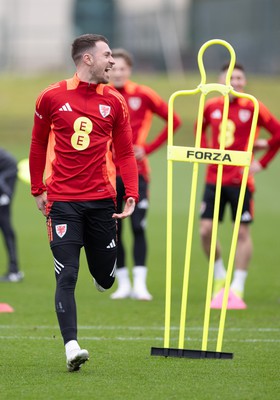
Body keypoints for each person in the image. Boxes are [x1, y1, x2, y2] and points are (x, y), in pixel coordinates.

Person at [29, 34, 139, 372]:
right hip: (62, 201)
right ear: (87, 59)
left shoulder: (116, 101)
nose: (112, 62)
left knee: (106, 278)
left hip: (102, 201)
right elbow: (36, 144)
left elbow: (124, 152)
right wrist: (38, 188)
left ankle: (102, 274)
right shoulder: (51, 96)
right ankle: (71, 346)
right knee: (66, 275)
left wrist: (131, 192)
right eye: (107, 55)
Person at [198, 63, 280, 306]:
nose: (235, 82)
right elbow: (199, 129)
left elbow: (277, 133)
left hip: (241, 180)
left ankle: (239, 285)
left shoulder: (254, 107)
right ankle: (220, 276)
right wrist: (204, 149)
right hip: (213, 178)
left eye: (240, 77)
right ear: (221, 81)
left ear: (245, 81)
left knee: (242, 232)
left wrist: (262, 161)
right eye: (230, 77)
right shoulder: (211, 106)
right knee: (205, 230)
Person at [109, 48, 181, 300]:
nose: (117, 73)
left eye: (122, 68)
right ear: (108, 70)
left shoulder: (143, 94)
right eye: (113, 68)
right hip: (106, 174)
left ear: (129, 70)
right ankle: (123, 284)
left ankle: (140, 284)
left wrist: (147, 148)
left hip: (137, 172)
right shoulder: (101, 94)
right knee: (113, 229)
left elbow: (174, 120)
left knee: (138, 226)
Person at [0, 148, 24, 282]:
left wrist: (5, 195)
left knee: (5, 226)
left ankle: (14, 271)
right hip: (5, 185)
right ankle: (14, 270)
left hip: (4, 191)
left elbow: (3, 178)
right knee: (6, 228)